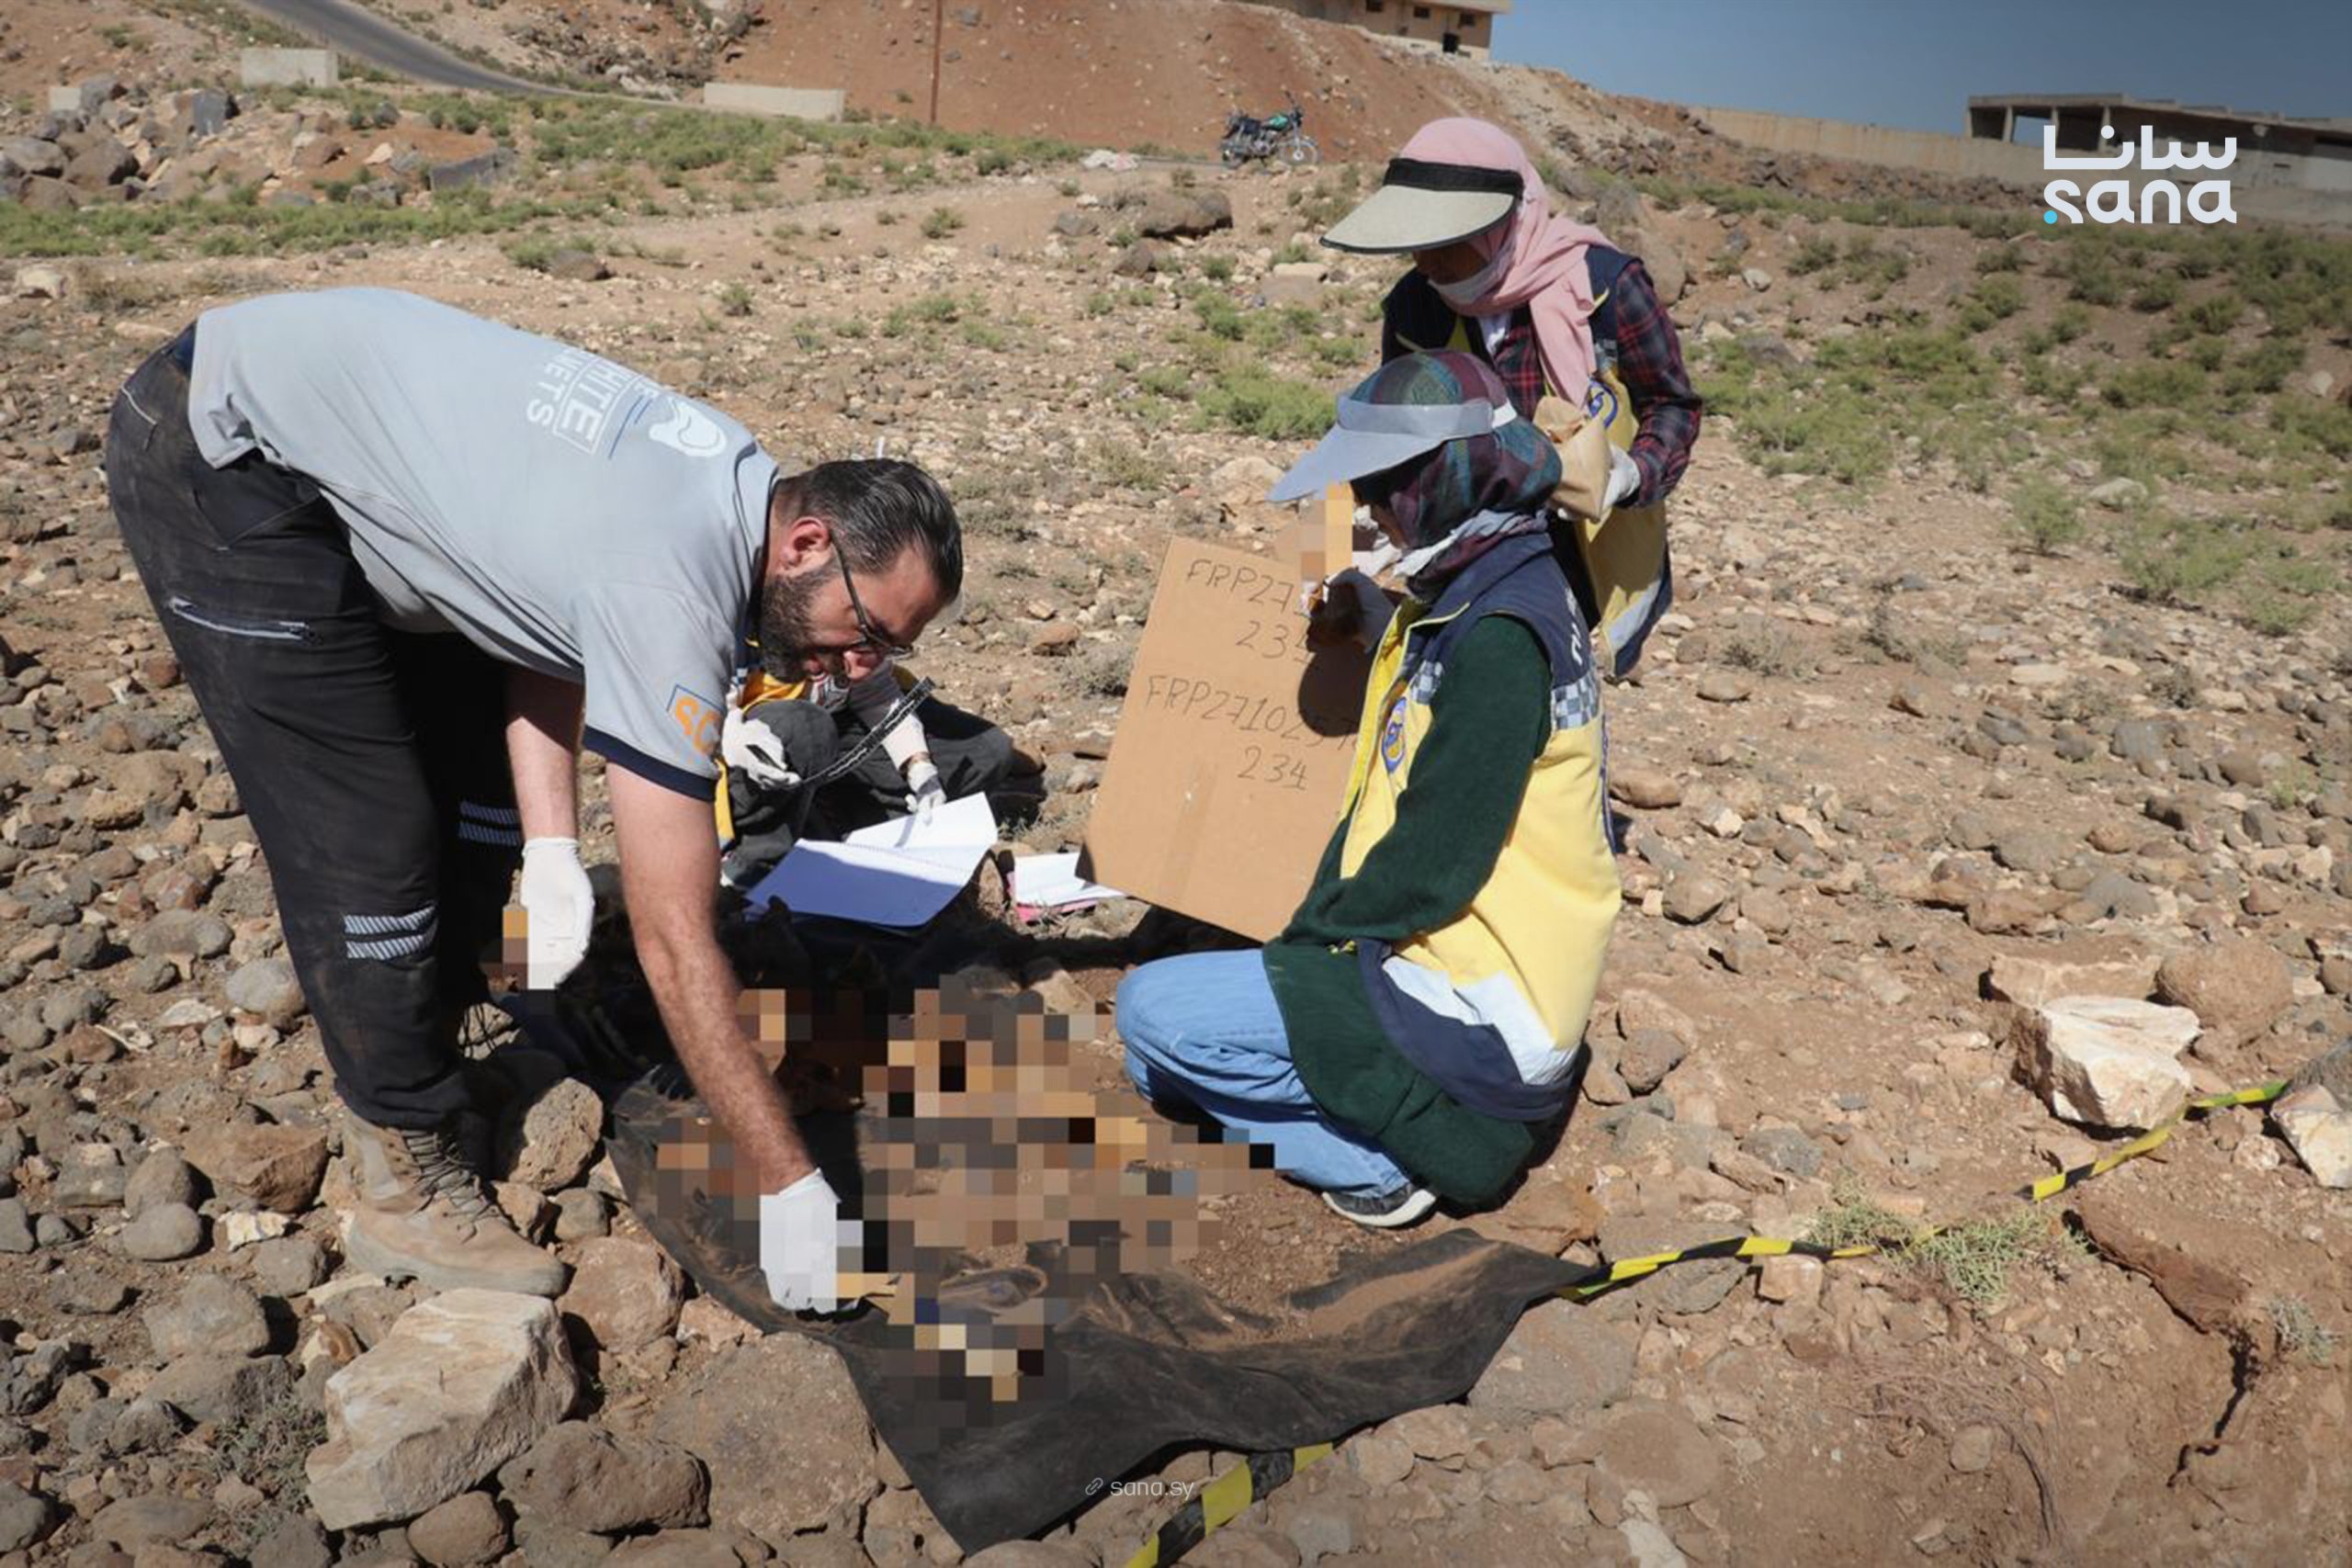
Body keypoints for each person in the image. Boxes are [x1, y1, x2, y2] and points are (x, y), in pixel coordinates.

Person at [103, 288, 961, 1312]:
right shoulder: (673, 584)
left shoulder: (737, 488)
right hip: (225, 451)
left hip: (341, 431)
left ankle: (435, 1052)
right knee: (371, 839)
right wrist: (790, 1187)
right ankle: (402, 1166)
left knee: (480, 799)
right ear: (809, 542)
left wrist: (551, 846)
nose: (861, 668)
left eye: (891, 650)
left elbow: (550, 618)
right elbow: (674, 937)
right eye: (868, 632)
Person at [1115, 352, 1622, 1227]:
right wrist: (1381, 618)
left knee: (1151, 1015)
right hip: (1464, 966)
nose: (1371, 506)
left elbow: (1434, 864)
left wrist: (1307, 943)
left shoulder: (1501, 638)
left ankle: (1413, 1153)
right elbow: (1448, 688)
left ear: (1441, 479)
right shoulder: (1505, 574)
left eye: (1385, 483)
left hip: (1481, 1002)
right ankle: (1388, 1105)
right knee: (1152, 1065)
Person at [1322, 117, 1702, 680]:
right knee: (1478, 675)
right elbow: (1390, 433)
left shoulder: (1606, 289)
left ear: (1504, 225)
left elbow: (1672, 405)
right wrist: (1338, 545)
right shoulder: (1416, 306)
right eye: (1417, 243)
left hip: (1586, 547)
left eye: (1446, 242)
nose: (1426, 262)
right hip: (1471, 547)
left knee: (1543, 677)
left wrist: (1632, 473)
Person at [715, 649, 1020, 886]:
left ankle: (835, 819)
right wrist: (728, 730)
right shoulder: (741, 609)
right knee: (806, 727)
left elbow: (876, 693)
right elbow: (698, 698)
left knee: (987, 751)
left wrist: (919, 765)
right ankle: (749, 868)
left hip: (838, 734)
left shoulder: (865, 614)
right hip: (766, 739)